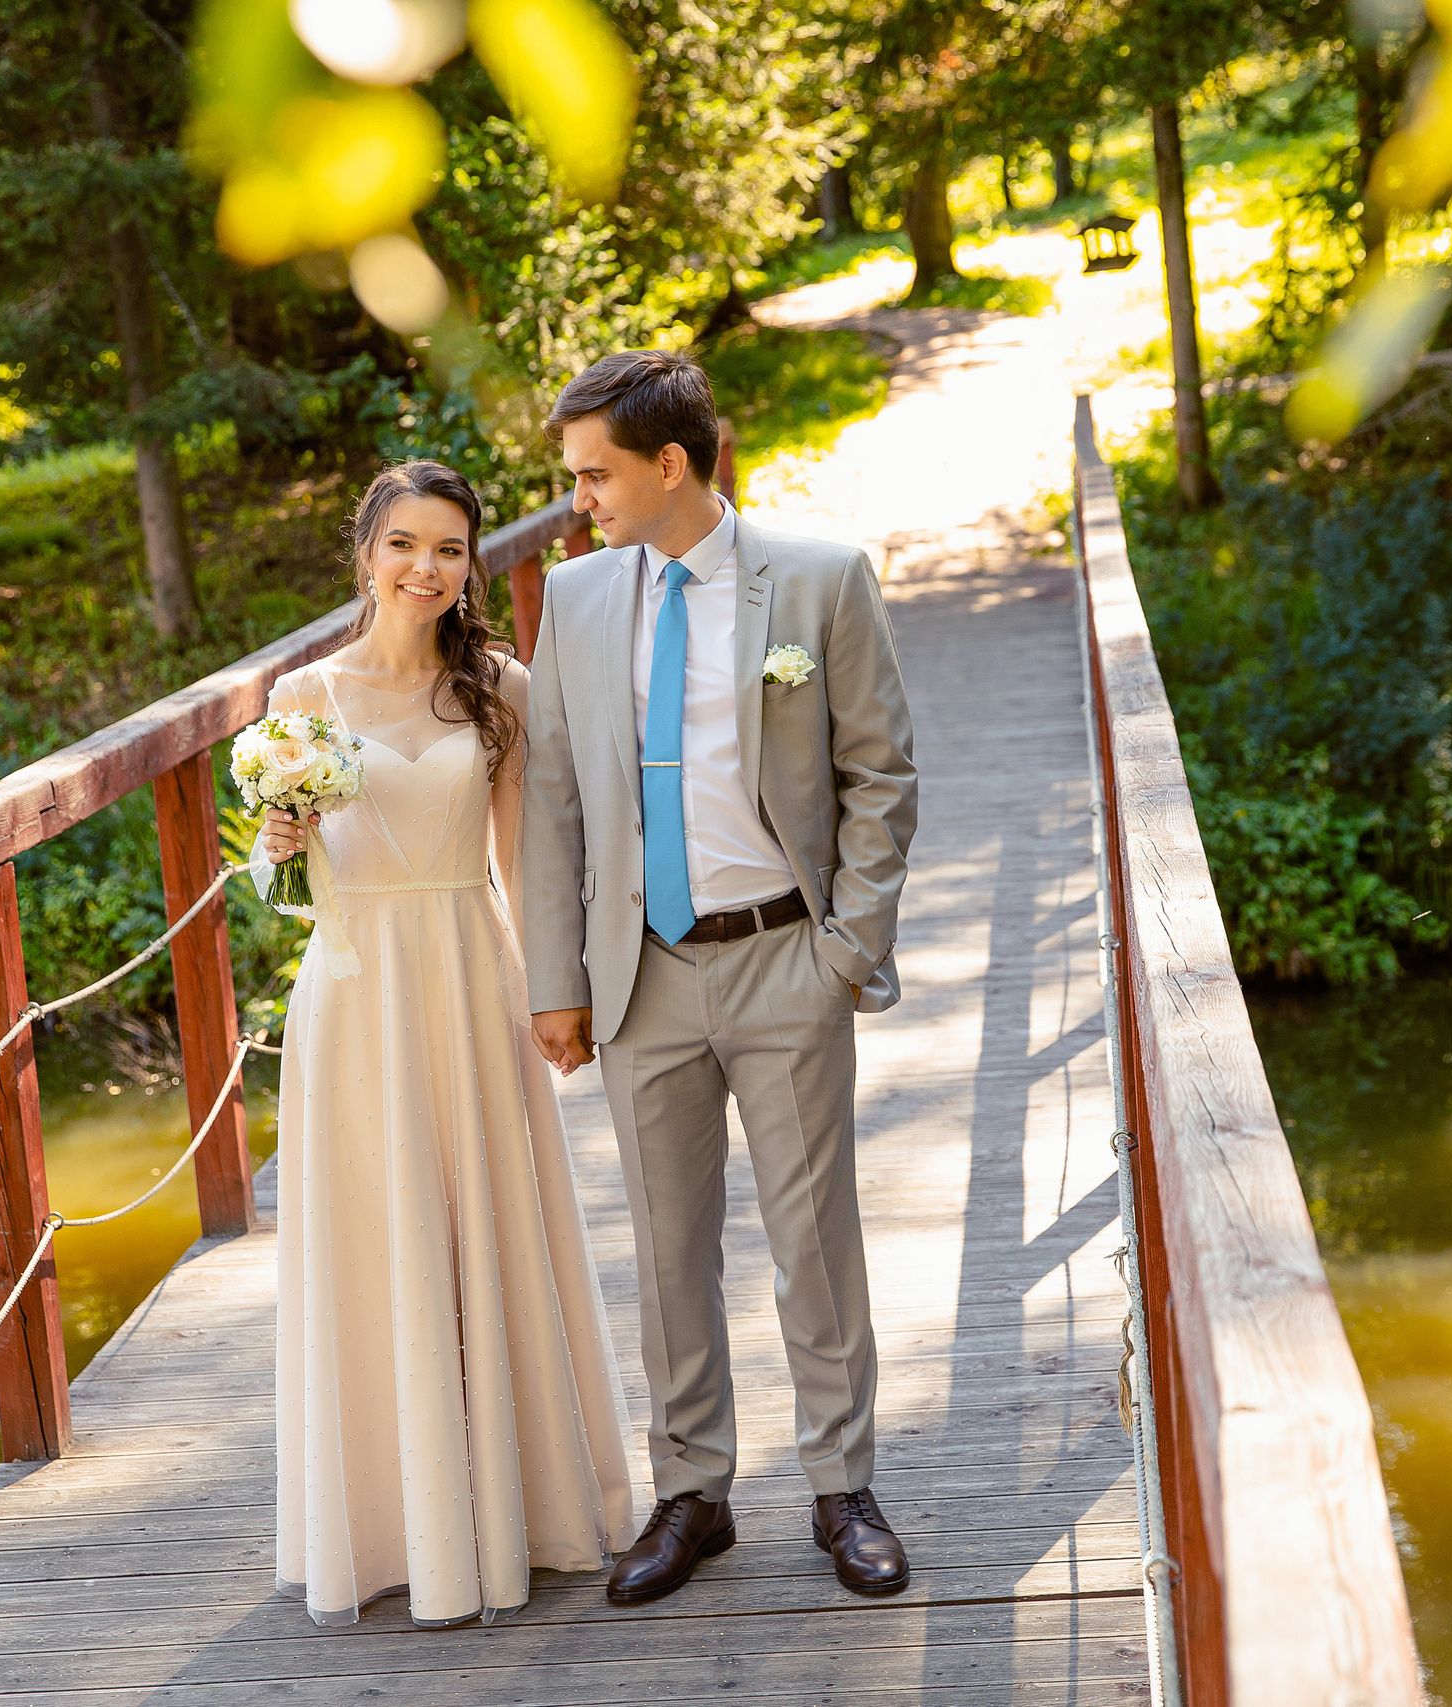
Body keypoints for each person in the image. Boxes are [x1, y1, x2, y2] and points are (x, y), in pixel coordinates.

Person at [521, 351, 919, 1605]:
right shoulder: (576, 600)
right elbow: (552, 802)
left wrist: (846, 947)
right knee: (668, 1244)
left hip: (782, 959)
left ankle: (841, 1487)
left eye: (596, 474)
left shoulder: (817, 578)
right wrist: (558, 980)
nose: (580, 496)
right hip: (643, 976)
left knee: (814, 1239)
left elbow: (881, 774)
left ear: (670, 464)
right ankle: (691, 1496)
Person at [252, 459, 635, 1629]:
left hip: (471, 971)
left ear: (472, 566)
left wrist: (553, 997)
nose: (427, 569)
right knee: (378, 1241)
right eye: (405, 544)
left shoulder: (499, 688)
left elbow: (523, 862)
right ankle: (387, 1529)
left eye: (451, 550)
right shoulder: (301, 696)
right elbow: (281, 884)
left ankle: (523, 1513)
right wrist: (276, 839)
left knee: (487, 1226)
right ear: (365, 551)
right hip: (357, 986)